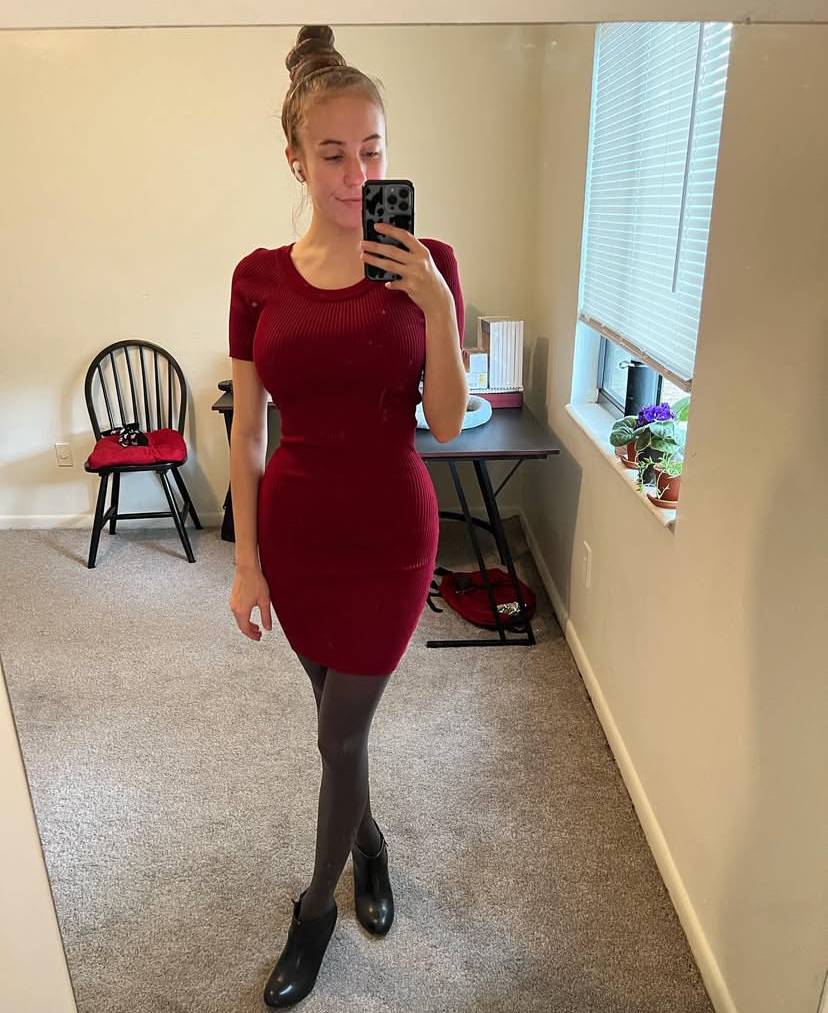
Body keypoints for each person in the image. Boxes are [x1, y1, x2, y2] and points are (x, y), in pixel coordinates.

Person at [227, 24, 467, 1008]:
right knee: (340, 729)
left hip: (391, 538)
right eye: (333, 153)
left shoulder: (429, 261)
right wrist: (247, 561)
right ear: (294, 158)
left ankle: (313, 911)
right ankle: (369, 843)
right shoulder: (257, 278)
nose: (357, 173)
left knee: (336, 738)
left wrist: (438, 306)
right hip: (297, 538)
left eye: (372, 150)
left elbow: (445, 421)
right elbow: (247, 430)